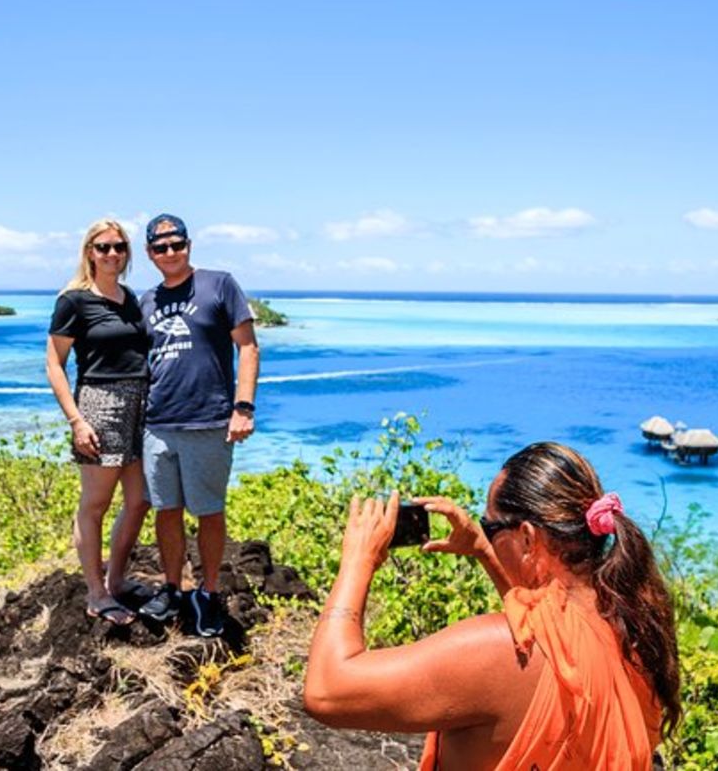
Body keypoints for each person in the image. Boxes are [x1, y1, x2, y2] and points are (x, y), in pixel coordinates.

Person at [303, 442, 681, 770]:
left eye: (491, 526)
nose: (485, 533)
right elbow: (546, 636)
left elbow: (327, 690)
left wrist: (357, 561)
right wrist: (486, 549)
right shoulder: (635, 619)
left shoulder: (495, 649)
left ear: (528, 538)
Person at [136, 214, 260, 637]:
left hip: (207, 419)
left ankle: (207, 594)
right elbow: (139, 362)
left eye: (177, 244)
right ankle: (173, 588)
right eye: (161, 247)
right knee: (165, 510)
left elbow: (247, 348)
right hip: (157, 422)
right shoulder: (146, 302)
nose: (170, 252)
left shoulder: (219, 284)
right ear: (151, 254)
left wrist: (243, 407)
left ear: (189, 244)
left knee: (208, 511)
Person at [45, 218, 152, 625]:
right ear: (89, 251)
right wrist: (76, 420)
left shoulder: (131, 299)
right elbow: (55, 364)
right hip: (99, 404)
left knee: (140, 499)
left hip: (141, 403)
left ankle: (117, 579)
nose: (112, 254)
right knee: (95, 504)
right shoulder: (73, 300)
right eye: (104, 247)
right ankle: (96, 591)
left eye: (119, 247)